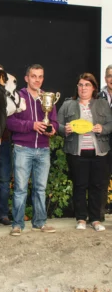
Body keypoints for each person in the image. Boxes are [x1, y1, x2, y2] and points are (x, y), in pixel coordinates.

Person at [6, 64, 58, 236]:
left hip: (43, 149)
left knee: (40, 188)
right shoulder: (18, 97)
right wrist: (32, 125)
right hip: (23, 149)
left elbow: (55, 122)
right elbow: (10, 122)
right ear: (26, 78)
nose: (37, 79)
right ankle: (17, 224)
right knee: (20, 189)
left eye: (40, 76)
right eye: (34, 76)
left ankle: (39, 222)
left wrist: (52, 130)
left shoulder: (47, 97)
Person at [58, 72, 112, 231]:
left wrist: (103, 128)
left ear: (94, 87)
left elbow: (110, 124)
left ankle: (95, 220)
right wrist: (65, 130)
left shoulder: (102, 104)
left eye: (87, 85)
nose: (83, 88)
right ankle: (81, 219)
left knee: (97, 186)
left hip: (99, 152)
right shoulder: (68, 104)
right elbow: (57, 125)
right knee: (80, 186)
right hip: (77, 152)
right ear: (77, 87)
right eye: (81, 85)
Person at [97, 65, 112, 220]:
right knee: (101, 180)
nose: (111, 79)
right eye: (109, 75)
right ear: (105, 78)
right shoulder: (98, 96)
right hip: (103, 143)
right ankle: (98, 214)